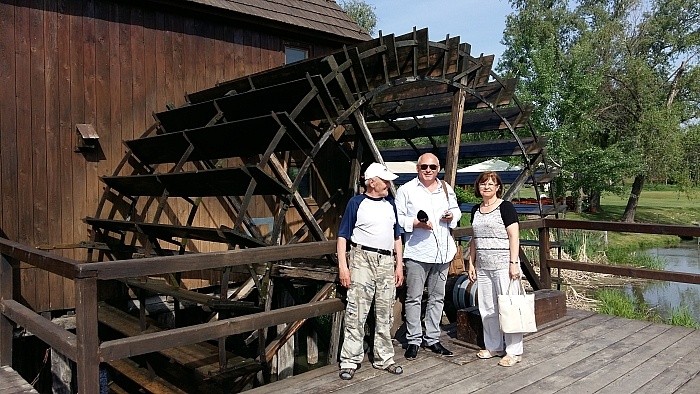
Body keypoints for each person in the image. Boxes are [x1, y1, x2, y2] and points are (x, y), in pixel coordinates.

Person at [337, 162, 405, 380]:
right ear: (372, 182)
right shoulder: (356, 203)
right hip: (361, 259)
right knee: (356, 310)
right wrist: (343, 267)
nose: (388, 184)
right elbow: (342, 237)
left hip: (386, 260)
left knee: (384, 311)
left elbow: (397, 237)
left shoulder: (391, 205)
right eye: (385, 181)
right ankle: (349, 360)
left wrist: (399, 264)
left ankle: (384, 358)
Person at [395, 153, 462, 360]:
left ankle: (432, 338)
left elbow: (457, 212)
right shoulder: (405, 190)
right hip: (417, 251)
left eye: (432, 167)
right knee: (414, 297)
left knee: (437, 297)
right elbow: (398, 218)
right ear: (417, 168)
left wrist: (451, 217)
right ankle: (414, 340)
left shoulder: (445, 188)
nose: (428, 170)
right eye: (424, 167)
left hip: (442, 252)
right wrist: (415, 223)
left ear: (438, 168)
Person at [467, 171, 523, 367]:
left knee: (509, 307)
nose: (487, 187)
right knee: (488, 308)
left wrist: (513, 263)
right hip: (483, 266)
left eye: (491, 184)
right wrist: (471, 262)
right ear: (478, 187)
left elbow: (514, 236)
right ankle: (493, 346)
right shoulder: (476, 210)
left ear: (498, 187)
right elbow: (475, 238)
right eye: (483, 184)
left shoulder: (505, 208)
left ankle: (514, 351)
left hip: (503, 266)